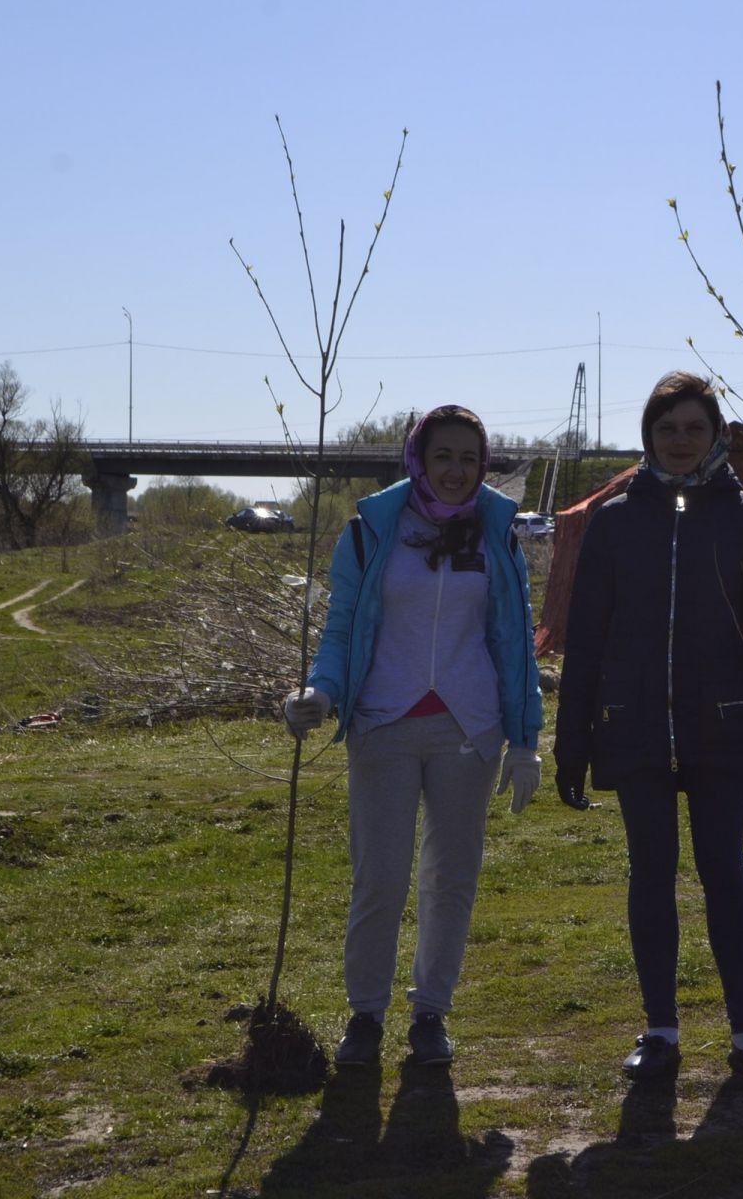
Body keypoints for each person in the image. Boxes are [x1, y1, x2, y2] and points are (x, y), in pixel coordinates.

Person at [553, 371, 743, 1081]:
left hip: (723, 722)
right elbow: (584, 639)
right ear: (648, 435)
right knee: (651, 872)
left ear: (715, 437)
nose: (681, 441)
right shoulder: (614, 521)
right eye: (668, 428)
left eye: (694, 428)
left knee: (725, 874)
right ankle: (660, 1033)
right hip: (635, 723)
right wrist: (570, 742)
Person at [282, 404, 544, 1068]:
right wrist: (321, 692)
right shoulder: (371, 532)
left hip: (469, 727)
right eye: (443, 456)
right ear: (418, 460)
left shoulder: (498, 534)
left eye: (468, 458)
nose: (455, 471)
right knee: (380, 878)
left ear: (482, 466)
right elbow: (343, 628)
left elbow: (515, 642)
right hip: (383, 723)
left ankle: (431, 1013)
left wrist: (524, 739)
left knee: (450, 877)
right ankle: (365, 1016)